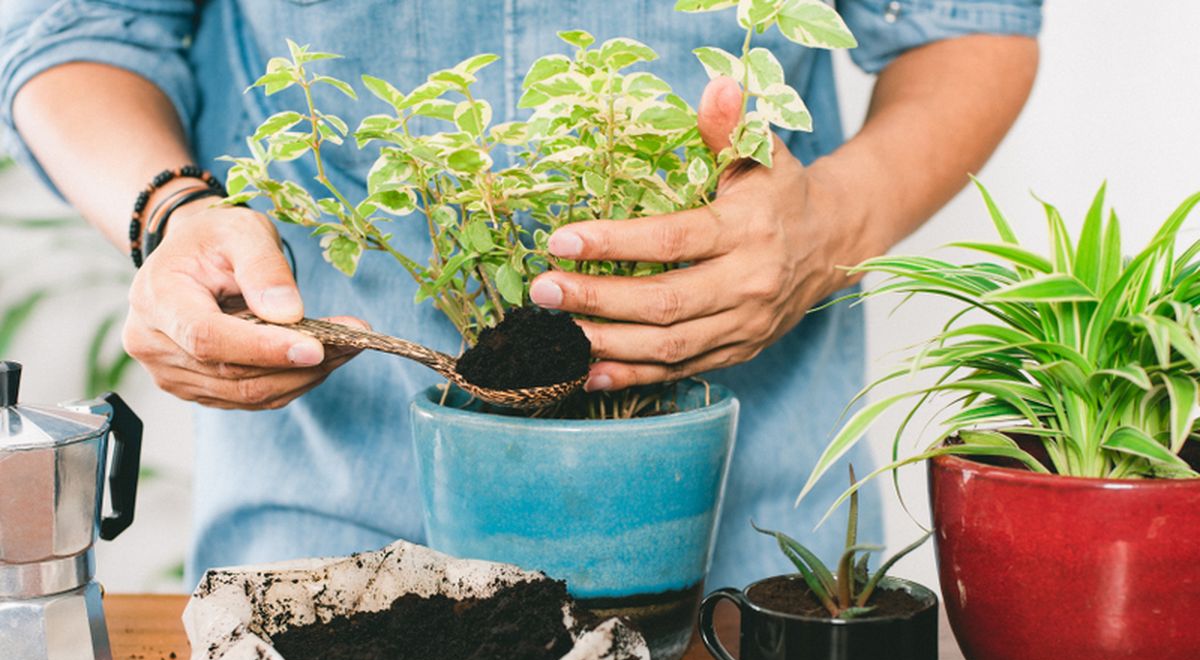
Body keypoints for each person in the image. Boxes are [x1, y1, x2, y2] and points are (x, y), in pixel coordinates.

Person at [0, 1, 1041, 589]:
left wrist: (835, 225)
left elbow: (965, 23)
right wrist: (171, 212)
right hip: (325, 539)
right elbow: (79, 29)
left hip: (745, 546)